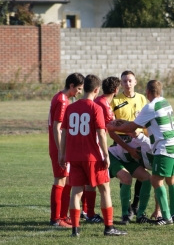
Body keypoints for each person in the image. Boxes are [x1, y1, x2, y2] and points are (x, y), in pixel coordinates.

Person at [59, 74, 127, 237]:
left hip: (73, 156)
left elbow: (65, 133)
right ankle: (109, 227)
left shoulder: (70, 107)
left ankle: (75, 229)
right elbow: (102, 134)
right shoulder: (95, 108)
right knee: (105, 189)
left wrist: (62, 154)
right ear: (97, 90)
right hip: (92, 157)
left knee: (76, 192)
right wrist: (106, 154)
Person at [107, 80, 174, 225]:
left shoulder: (150, 107)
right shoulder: (165, 102)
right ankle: (172, 214)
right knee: (169, 180)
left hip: (164, 146)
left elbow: (132, 128)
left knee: (155, 180)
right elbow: (135, 128)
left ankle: (166, 217)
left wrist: (111, 128)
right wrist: (122, 122)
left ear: (147, 92)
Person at [80, 76, 121, 223]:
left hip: (82, 148)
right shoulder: (102, 104)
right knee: (101, 185)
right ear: (116, 90)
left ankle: (85, 212)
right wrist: (133, 128)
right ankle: (92, 215)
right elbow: (107, 129)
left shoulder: (98, 102)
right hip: (94, 149)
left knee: (86, 184)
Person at [48, 72, 84, 227]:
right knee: (60, 180)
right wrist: (60, 151)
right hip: (59, 148)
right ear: (71, 86)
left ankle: (63, 216)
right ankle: (56, 219)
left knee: (68, 181)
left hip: (62, 147)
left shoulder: (61, 97)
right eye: (79, 88)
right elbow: (57, 127)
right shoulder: (63, 101)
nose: (80, 92)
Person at [110, 70, 147, 218]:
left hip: (140, 140)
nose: (127, 83)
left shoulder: (142, 99)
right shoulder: (116, 100)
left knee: (141, 173)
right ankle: (127, 208)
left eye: (130, 80)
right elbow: (111, 125)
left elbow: (147, 122)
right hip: (122, 141)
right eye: (124, 81)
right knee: (125, 174)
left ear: (135, 82)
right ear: (121, 83)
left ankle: (135, 205)